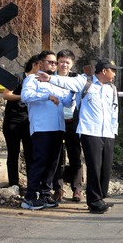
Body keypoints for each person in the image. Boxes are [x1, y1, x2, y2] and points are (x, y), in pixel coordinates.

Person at [37, 59, 121, 214]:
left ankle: (100, 196)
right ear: (104, 71)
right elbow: (67, 82)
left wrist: (114, 129)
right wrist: (50, 78)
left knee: (105, 167)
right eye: (112, 70)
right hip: (90, 131)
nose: (114, 74)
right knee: (94, 166)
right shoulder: (85, 83)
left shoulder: (112, 89)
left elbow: (114, 110)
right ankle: (94, 201)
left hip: (108, 132)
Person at [19, 51, 73, 210]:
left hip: (58, 127)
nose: (53, 65)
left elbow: (67, 102)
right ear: (40, 63)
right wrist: (47, 96)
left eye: (55, 63)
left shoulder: (57, 81)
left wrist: (73, 95)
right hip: (42, 128)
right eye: (50, 62)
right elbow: (25, 96)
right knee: (40, 161)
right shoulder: (32, 79)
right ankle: (30, 196)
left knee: (52, 164)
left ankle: (45, 193)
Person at [51, 49, 84, 202]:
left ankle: (77, 189)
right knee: (56, 157)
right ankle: (58, 189)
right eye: (61, 61)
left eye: (67, 62)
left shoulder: (76, 78)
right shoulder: (50, 78)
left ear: (72, 64)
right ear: (57, 63)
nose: (64, 64)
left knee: (75, 155)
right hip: (55, 122)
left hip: (72, 122)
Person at [2, 55, 38, 189]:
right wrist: (24, 97)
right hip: (13, 120)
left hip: (29, 122)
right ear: (34, 65)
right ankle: (13, 184)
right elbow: (6, 94)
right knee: (13, 153)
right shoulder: (18, 77)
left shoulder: (38, 80)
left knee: (30, 153)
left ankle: (32, 184)